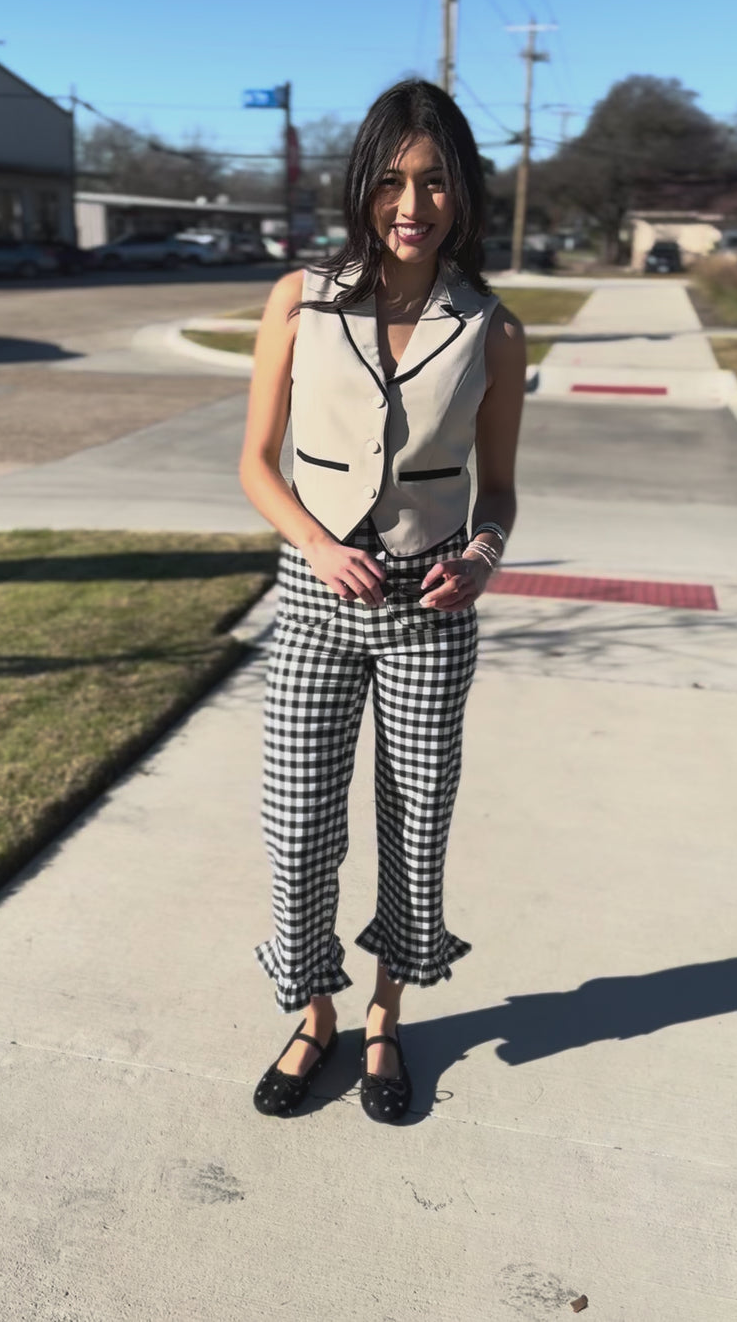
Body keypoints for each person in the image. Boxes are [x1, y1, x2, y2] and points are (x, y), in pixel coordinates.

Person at [239, 78, 526, 1123]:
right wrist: (314, 545)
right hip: (316, 599)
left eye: (436, 181)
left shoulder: (492, 331)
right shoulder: (300, 300)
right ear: (364, 187)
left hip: (428, 611)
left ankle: (383, 1016)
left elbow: (495, 489)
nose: (413, 204)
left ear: (462, 195)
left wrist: (484, 554)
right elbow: (255, 465)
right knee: (300, 822)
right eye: (394, 181)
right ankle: (312, 1011)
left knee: (415, 828)